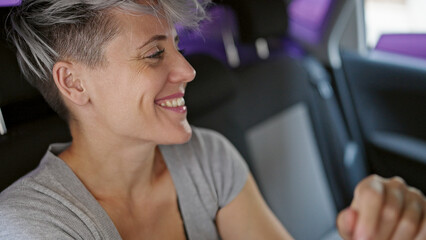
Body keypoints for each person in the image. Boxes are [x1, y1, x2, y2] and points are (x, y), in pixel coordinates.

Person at [0, 0, 424, 239]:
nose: (188, 70)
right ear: (73, 83)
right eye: (154, 53)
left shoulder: (209, 157)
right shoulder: (32, 225)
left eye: (177, 47)